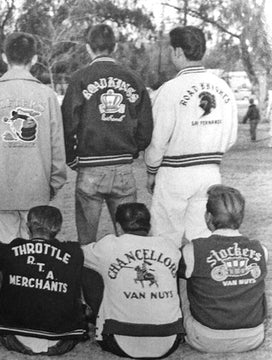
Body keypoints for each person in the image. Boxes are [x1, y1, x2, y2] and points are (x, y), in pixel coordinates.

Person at [145, 26, 238, 246]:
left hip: (174, 172)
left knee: (166, 239)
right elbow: (231, 137)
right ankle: (199, 280)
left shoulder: (169, 90)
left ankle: (170, 281)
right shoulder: (223, 87)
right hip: (210, 172)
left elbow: (157, 140)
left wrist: (151, 170)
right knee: (202, 237)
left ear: (178, 51)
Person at [0, 32, 66, 244]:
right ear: (34, 59)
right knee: (35, 250)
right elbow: (57, 143)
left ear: (4, 57)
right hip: (37, 186)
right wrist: (56, 181)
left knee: (4, 250)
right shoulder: (47, 95)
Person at [61, 24, 153, 245]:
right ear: (116, 47)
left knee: (86, 240)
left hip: (90, 167)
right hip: (122, 167)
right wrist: (133, 149)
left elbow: (67, 123)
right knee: (131, 239)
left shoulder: (80, 78)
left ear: (88, 48)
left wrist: (72, 157)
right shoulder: (133, 78)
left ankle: (87, 277)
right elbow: (146, 126)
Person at [82, 203, 183, 359]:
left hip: (117, 340)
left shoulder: (108, 245)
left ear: (118, 226)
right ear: (149, 226)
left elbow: (79, 255)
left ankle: (95, 317)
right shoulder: (169, 246)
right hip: (171, 339)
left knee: (90, 266)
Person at [0, 206, 87, 356]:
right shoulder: (73, 251)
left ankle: (5, 306)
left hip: (14, 338)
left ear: (27, 227)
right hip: (61, 341)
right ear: (58, 228)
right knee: (81, 269)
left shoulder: (15, 246)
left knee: (0, 264)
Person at [179, 185, 267, 353]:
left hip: (206, 338)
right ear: (241, 217)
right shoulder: (261, 249)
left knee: (183, 276)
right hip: (252, 337)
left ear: (208, 217)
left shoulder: (193, 249)